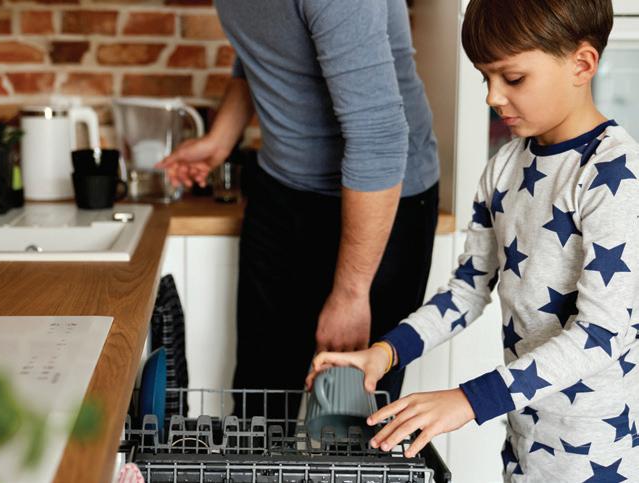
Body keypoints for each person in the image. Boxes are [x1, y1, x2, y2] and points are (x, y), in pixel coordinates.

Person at [308, 0, 639, 480]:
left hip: (599, 453)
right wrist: (386, 352)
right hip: (525, 438)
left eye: (513, 78)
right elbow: (466, 290)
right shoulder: (504, 166)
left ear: (582, 64)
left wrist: (469, 399)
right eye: (486, 78)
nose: (493, 97)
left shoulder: (615, 174)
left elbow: (603, 333)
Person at [158, 0, 440, 413]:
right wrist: (221, 138)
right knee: (258, 403)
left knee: (350, 417)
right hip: (281, 187)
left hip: (378, 200)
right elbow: (266, 47)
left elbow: (378, 139)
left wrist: (351, 292)